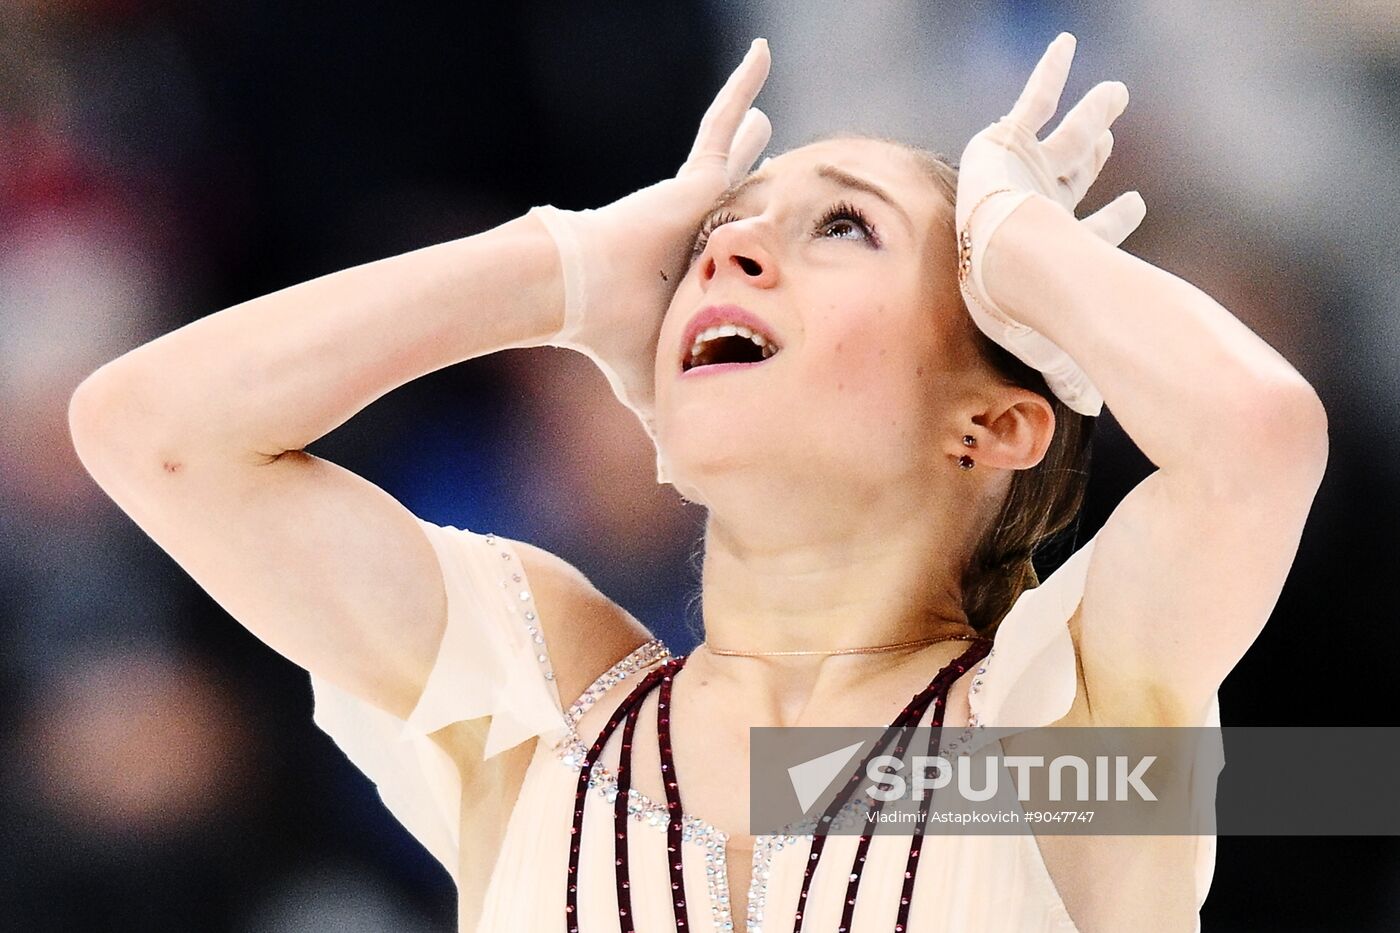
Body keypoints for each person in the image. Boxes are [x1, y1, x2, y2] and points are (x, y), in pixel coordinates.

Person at [69, 32, 1327, 933]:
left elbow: (1255, 437)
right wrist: (559, 270)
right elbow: (152, 428)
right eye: (717, 238)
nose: (729, 247)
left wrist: (1010, 238)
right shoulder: (544, 694)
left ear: (991, 423)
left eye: (841, 227)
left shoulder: (1058, 726)